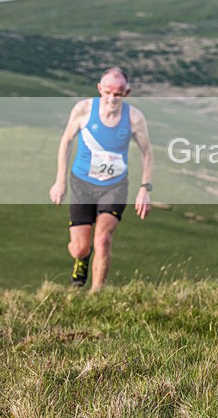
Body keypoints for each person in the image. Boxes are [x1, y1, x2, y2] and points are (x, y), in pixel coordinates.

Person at [49, 67, 153, 292]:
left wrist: (145, 188)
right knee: (80, 247)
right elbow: (66, 141)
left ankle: (96, 295)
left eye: (117, 94)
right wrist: (60, 181)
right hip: (82, 184)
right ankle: (81, 259)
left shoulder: (134, 118)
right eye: (107, 93)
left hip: (114, 186)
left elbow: (147, 153)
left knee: (102, 240)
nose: (111, 99)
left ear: (127, 92)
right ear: (99, 89)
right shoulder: (84, 109)